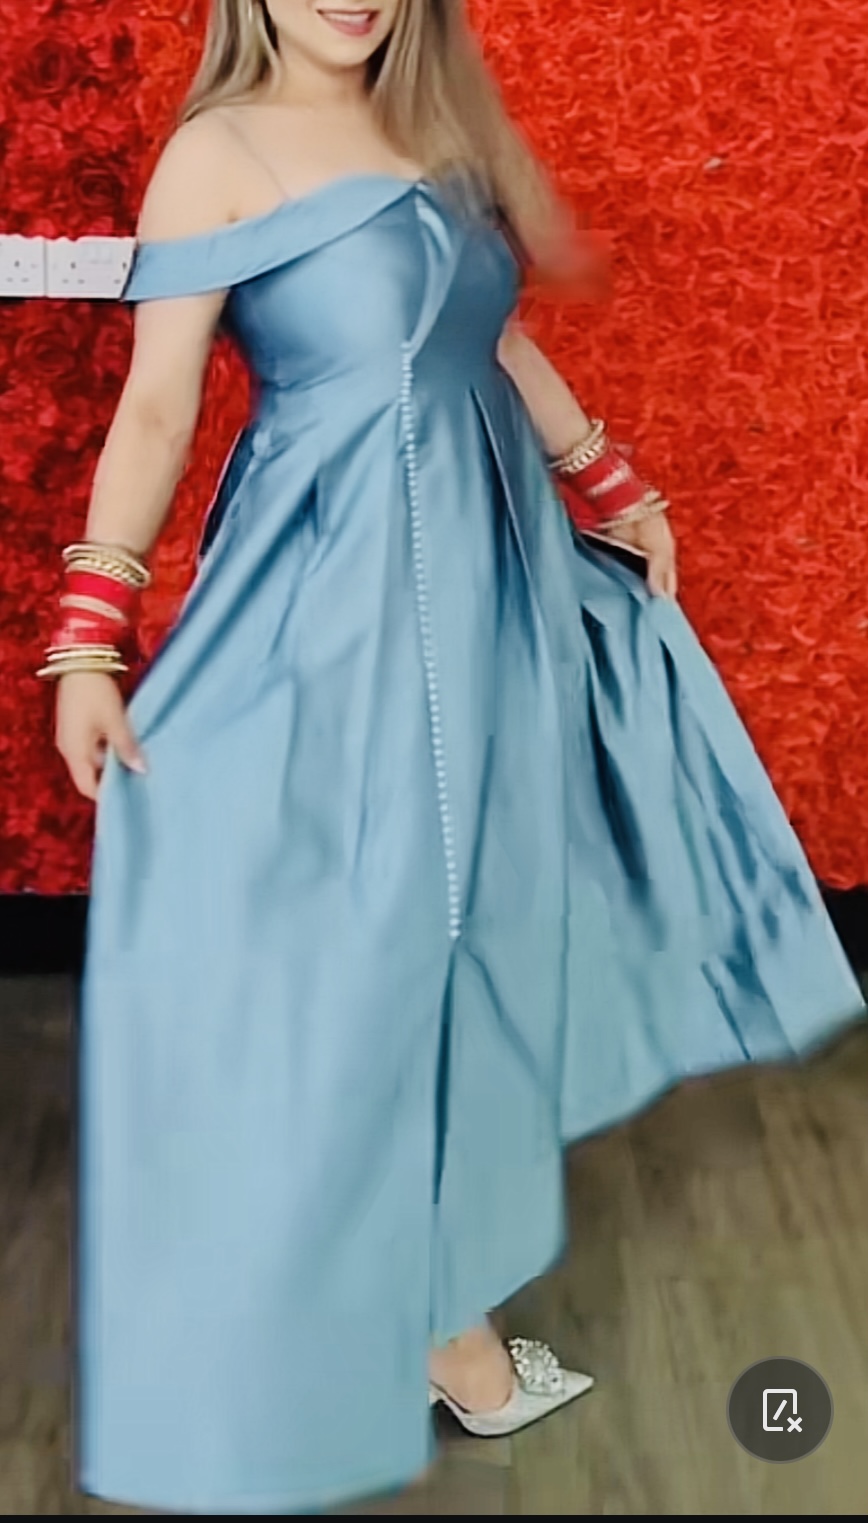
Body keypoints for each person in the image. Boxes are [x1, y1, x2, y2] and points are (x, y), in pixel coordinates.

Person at [41, 1, 862, 1514]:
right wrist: (89, 637)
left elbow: (496, 339)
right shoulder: (216, 152)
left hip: (491, 572)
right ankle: (428, 1323)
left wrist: (608, 478)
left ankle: (412, 1288)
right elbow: (158, 405)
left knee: (473, 912)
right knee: (367, 935)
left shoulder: (437, 122)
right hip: (332, 591)